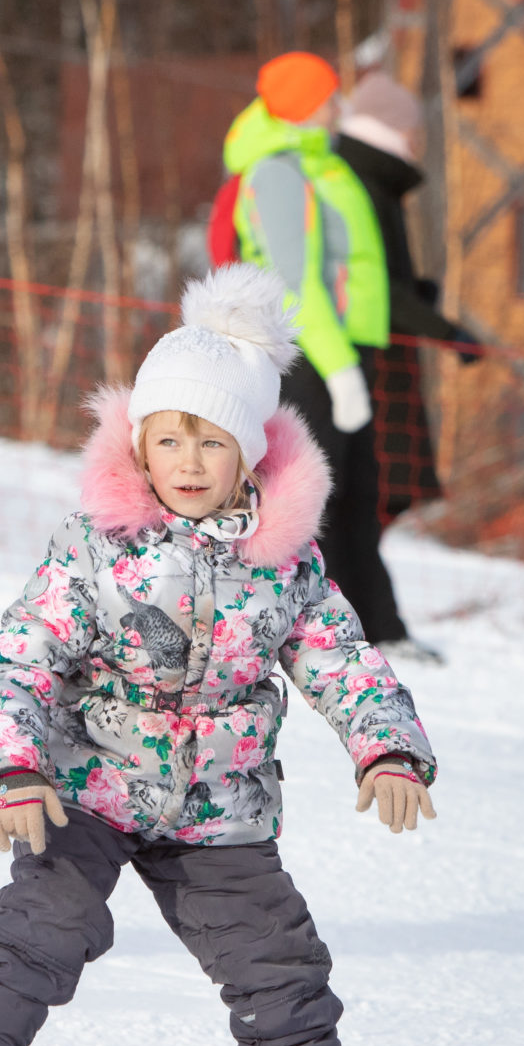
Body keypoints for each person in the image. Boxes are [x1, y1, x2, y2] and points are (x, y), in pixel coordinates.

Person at [0, 264, 438, 1046]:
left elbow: (342, 657)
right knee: (44, 927)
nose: (185, 455)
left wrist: (387, 747)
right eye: (167, 433)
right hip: (86, 787)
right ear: (136, 439)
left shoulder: (285, 562)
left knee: (282, 971)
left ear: (250, 451)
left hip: (220, 808)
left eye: (209, 439)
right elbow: (20, 657)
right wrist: (14, 769)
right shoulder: (97, 545)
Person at [220, 53, 434, 661]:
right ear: (303, 103)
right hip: (310, 355)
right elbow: (295, 282)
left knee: (359, 488)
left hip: (345, 347)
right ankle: (291, 626)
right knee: (311, 494)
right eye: (329, 96)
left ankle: (373, 625)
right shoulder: (278, 172)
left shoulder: (318, 162)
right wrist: (339, 370)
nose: (339, 106)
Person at [332, 72, 480, 664]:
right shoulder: (362, 181)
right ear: (388, 128)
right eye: (411, 131)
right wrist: (444, 327)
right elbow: (375, 284)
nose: (416, 143)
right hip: (368, 356)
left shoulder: (368, 178)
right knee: (363, 493)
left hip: (378, 352)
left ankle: (367, 620)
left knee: (366, 496)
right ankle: (360, 622)